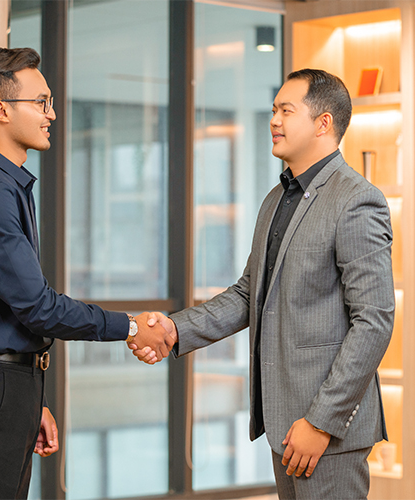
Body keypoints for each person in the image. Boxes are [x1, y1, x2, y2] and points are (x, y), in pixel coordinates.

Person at [132, 69, 395, 499]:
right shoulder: (277, 199)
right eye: (273, 110)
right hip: (285, 422)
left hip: (326, 430)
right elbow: (248, 294)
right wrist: (175, 329)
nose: (273, 120)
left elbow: (375, 321)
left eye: (286, 111)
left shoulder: (356, 199)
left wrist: (321, 422)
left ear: (323, 123)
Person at [0, 47, 173, 500]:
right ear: (1, 109)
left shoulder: (6, 183)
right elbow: (37, 307)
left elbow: (8, 308)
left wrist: (32, 399)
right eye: (41, 102)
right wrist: (130, 326)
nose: (51, 114)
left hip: (8, 386)